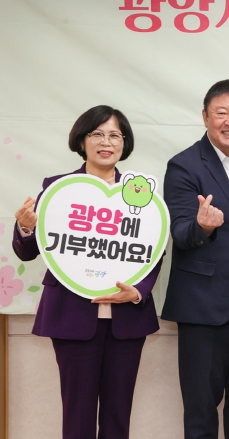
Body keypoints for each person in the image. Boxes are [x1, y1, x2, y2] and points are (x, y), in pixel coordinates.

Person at [12, 105, 161, 439]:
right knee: (77, 415)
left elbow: (153, 251)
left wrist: (138, 291)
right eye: (97, 134)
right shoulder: (58, 189)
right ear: (82, 141)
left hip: (127, 319)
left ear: (124, 143)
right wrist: (26, 228)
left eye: (114, 135)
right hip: (71, 317)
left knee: (118, 415)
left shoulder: (140, 194)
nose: (106, 142)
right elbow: (28, 250)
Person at [161, 80, 229, 439]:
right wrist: (202, 226)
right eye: (222, 112)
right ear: (205, 116)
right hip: (203, 306)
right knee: (201, 410)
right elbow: (180, 232)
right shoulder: (184, 165)